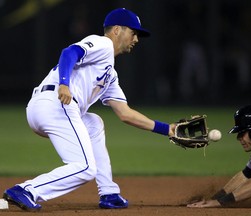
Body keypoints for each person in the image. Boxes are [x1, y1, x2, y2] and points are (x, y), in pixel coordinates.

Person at [2, 8, 175, 211]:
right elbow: (70, 52)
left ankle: (109, 193)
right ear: (117, 30)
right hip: (57, 103)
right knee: (85, 168)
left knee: (94, 123)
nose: (136, 38)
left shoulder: (110, 73)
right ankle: (27, 190)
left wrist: (168, 129)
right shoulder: (103, 44)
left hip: (47, 107)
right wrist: (64, 84)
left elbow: (125, 113)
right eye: (133, 32)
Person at [187, 104, 251, 208]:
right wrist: (215, 199)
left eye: (242, 133)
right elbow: (246, 175)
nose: (238, 138)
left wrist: (219, 203)